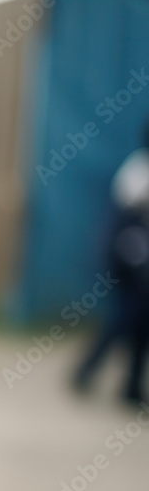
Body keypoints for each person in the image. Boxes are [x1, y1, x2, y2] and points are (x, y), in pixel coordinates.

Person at [72, 142, 149, 406]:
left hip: (136, 255)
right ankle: (86, 370)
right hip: (128, 256)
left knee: (141, 324)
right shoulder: (139, 171)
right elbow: (127, 229)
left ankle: (132, 386)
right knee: (125, 318)